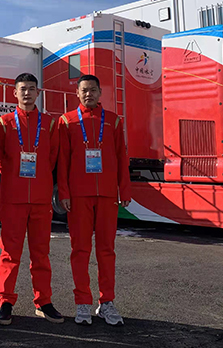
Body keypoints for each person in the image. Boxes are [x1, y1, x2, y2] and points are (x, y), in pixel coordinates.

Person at [58, 74, 131, 326]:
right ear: (77, 94)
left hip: (107, 194)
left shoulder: (113, 120)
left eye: (93, 90)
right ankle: (82, 303)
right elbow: (62, 161)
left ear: (100, 93)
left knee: (106, 250)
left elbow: (121, 157)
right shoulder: (66, 121)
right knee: (80, 250)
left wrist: (124, 190)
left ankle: (106, 302)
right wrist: (64, 193)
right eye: (84, 90)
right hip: (79, 195)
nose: (88, 94)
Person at [0, 73, 63, 326]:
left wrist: (38, 178)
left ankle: (43, 301)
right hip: (13, 197)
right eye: (22, 89)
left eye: (31, 89)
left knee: (41, 253)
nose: (27, 93)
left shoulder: (50, 123)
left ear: (38, 93)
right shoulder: (4, 123)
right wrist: (15, 177)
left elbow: (52, 157)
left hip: (41, 199)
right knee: (9, 253)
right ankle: (6, 301)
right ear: (15, 93)